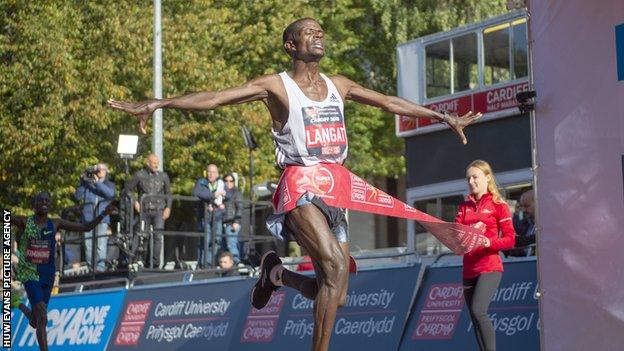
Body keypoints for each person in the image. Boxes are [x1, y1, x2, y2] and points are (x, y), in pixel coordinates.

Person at [108, 17, 480, 351]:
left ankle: (276, 274)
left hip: (337, 187)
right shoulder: (277, 87)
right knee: (335, 266)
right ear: (291, 45)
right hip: (299, 185)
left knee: (337, 295)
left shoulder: (339, 85)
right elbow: (218, 98)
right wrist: (160, 103)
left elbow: (387, 101)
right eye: (309, 33)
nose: (319, 36)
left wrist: (442, 116)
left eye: (321, 32)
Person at [12, 191, 116, 351]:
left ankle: (19, 304)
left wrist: (103, 213)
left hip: (48, 274)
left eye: (47, 200)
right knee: (42, 314)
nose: (45, 203)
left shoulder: (55, 223)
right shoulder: (24, 221)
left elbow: (86, 227)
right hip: (30, 273)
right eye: (41, 201)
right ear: (34, 205)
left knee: (37, 320)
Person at [455, 160, 516, 351]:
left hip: (489, 267)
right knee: (474, 318)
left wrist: (489, 242)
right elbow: (456, 232)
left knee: (478, 310)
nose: (471, 181)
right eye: (468, 178)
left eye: (475, 177)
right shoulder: (464, 206)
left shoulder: (499, 205)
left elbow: (510, 240)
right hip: (469, 268)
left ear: (487, 177)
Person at [124, 153, 172, 268]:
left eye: (157, 163)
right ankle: (141, 261)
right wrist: (135, 201)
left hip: (159, 210)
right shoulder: (139, 175)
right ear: (148, 163)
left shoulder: (164, 176)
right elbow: (128, 189)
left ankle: (155, 263)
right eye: (154, 163)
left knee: (158, 237)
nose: (156, 165)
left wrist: (168, 208)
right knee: (142, 236)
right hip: (144, 210)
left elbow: (168, 193)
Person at [74, 163, 115, 272]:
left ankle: (100, 269)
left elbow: (110, 194)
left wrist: (96, 183)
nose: (99, 171)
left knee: (101, 245)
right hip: (88, 218)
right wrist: (83, 182)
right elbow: (77, 196)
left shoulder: (109, 184)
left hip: (102, 218)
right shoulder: (88, 184)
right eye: (97, 169)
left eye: (101, 169)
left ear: (106, 171)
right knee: (88, 245)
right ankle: (90, 268)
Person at [192, 164, 226, 268]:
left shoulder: (221, 183)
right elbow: (197, 193)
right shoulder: (201, 182)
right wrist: (213, 195)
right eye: (209, 172)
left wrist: (223, 199)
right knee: (205, 240)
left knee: (216, 241)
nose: (211, 174)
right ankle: (203, 264)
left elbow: (229, 194)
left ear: (217, 174)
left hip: (218, 216)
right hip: (205, 217)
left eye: (213, 172)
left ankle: (211, 263)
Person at [506, 189, 536, 256]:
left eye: (526, 206)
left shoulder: (546, 225)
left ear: (537, 203)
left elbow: (533, 240)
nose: (524, 210)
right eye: (522, 206)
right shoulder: (529, 224)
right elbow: (526, 250)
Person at [222, 173, 243, 264]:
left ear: (234, 182)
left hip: (231, 223)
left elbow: (240, 208)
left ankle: (236, 263)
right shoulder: (222, 193)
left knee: (231, 244)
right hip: (221, 223)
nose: (228, 183)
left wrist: (236, 221)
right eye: (226, 181)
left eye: (231, 181)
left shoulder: (236, 193)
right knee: (222, 246)